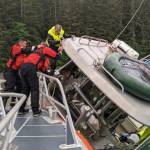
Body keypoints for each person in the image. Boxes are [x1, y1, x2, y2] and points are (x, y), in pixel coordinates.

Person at [19, 42, 62, 116]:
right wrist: (60, 50)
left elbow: (42, 68)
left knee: (25, 89)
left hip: (22, 67)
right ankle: (35, 111)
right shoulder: (45, 49)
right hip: (31, 68)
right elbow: (57, 57)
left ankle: (21, 109)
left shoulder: (35, 51)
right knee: (34, 89)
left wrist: (47, 74)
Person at [3, 39, 29, 107]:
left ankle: (15, 103)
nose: (26, 45)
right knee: (10, 88)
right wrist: (35, 48)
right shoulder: (16, 47)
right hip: (10, 71)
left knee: (20, 86)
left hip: (16, 71)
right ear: (20, 43)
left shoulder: (23, 53)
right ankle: (2, 106)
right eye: (25, 44)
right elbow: (24, 50)